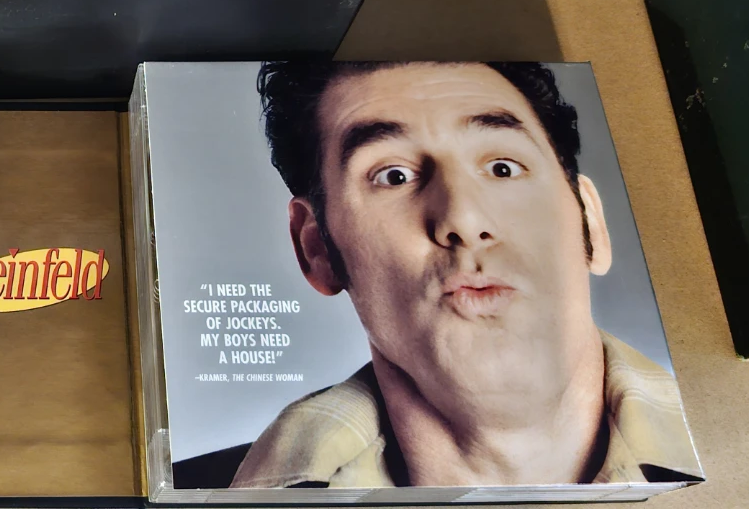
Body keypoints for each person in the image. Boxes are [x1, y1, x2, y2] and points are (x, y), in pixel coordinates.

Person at [231, 61, 703, 488]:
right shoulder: (202, 488)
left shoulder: (726, 426)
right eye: (393, 176)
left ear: (590, 225)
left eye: (503, 168)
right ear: (317, 248)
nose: (464, 219)